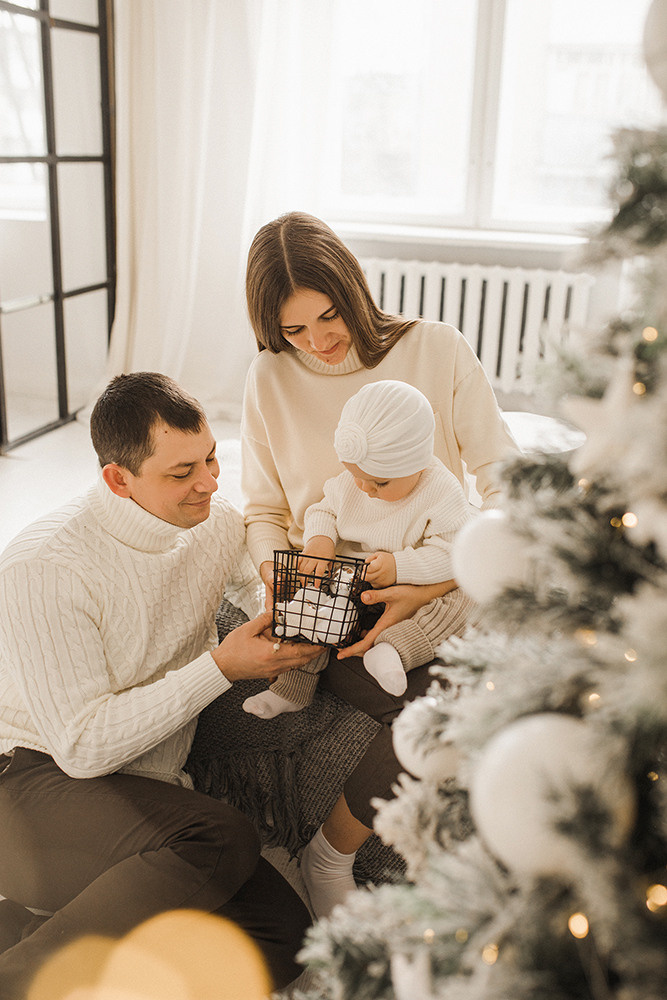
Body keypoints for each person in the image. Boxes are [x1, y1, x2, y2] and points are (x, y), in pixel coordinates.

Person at [0, 372, 318, 1000]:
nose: (210, 483)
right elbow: (82, 747)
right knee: (220, 837)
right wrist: (220, 668)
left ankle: (33, 935)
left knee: (281, 938)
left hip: (141, 796)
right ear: (118, 479)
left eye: (211, 458)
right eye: (182, 473)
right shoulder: (44, 568)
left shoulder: (212, 523)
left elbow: (252, 586)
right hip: (28, 786)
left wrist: (285, 614)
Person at [241, 211, 521, 918]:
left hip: (437, 576)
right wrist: (279, 578)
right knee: (441, 712)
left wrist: (438, 579)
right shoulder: (269, 377)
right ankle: (331, 857)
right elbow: (263, 510)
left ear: (354, 290)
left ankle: (334, 852)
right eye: (294, 330)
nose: (318, 343)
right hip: (338, 597)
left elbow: (503, 480)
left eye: (328, 316)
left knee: (472, 698)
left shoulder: (436, 348)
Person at [242, 379, 477, 720]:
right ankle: (291, 689)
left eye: (380, 482)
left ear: (419, 463)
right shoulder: (353, 482)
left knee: (465, 601)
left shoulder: (441, 492)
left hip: (411, 588)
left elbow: (451, 554)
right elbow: (324, 511)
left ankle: (393, 651)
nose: (364, 488)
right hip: (348, 583)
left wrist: (399, 567)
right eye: (356, 475)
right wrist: (319, 541)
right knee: (308, 601)